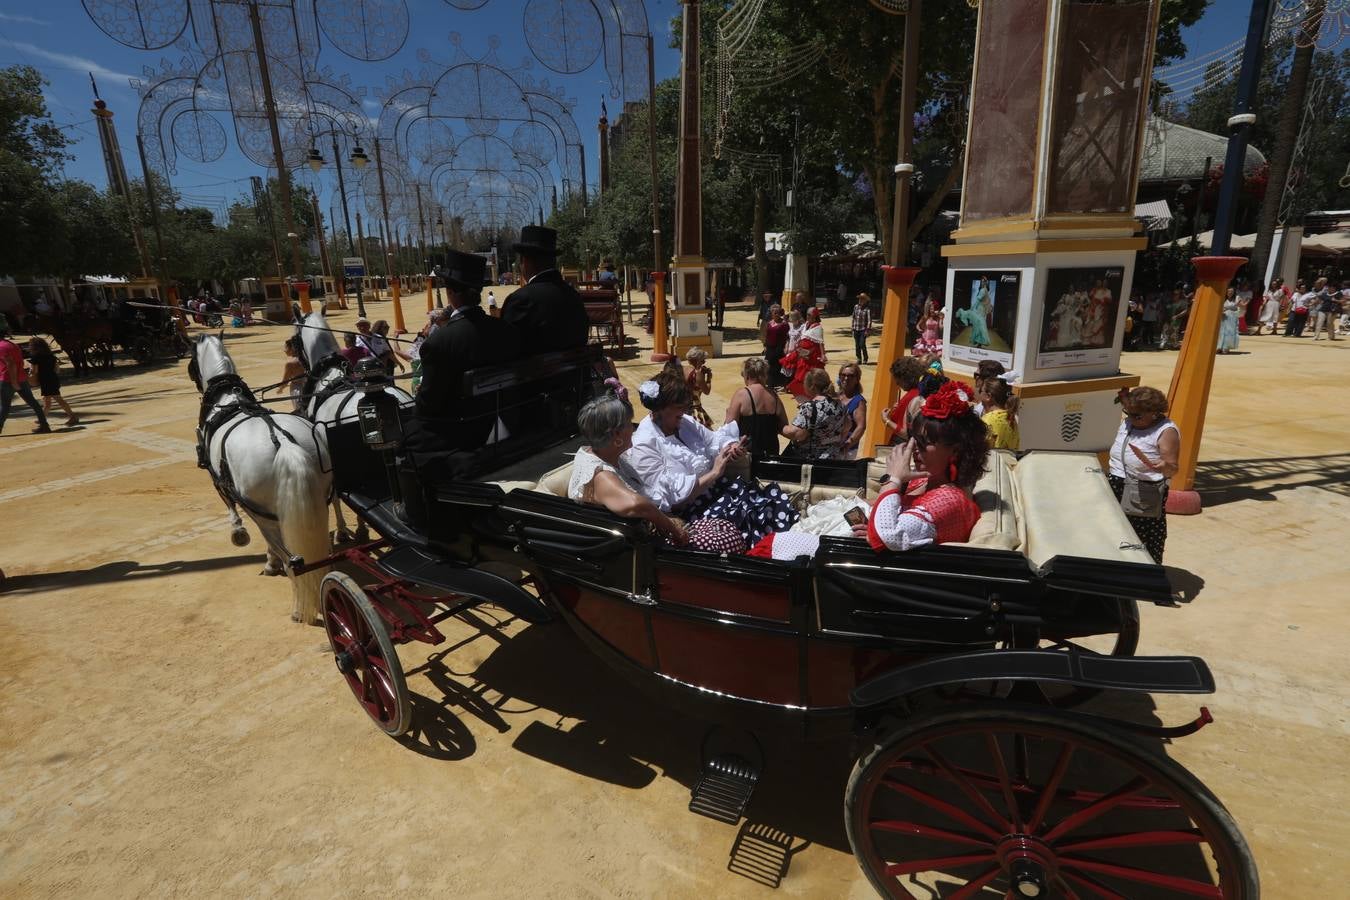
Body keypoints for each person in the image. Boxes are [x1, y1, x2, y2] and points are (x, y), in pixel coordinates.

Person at [749, 381, 987, 560]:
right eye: (914, 439)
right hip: (858, 554)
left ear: (955, 451)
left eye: (925, 443)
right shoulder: (925, 481)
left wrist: (893, 480)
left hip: (863, 566)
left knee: (779, 544)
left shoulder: (950, 500)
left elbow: (888, 536)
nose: (914, 448)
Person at [629, 368, 796, 546]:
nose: (684, 410)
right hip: (694, 509)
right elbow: (670, 501)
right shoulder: (645, 443)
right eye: (678, 407)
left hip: (718, 492)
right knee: (753, 515)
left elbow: (713, 440)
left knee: (770, 501)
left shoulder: (685, 423)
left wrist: (730, 447)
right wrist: (714, 473)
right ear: (660, 409)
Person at [404, 249, 522, 472]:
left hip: (467, 433)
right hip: (508, 419)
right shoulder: (506, 329)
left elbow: (428, 406)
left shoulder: (439, 341)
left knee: (408, 433)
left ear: (450, 292)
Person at [570, 385, 687, 546]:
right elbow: (637, 505)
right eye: (629, 423)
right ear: (617, 434)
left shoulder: (604, 454)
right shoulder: (601, 476)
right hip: (633, 545)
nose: (633, 428)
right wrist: (674, 530)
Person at [1108, 386, 1179, 564]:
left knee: (1139, 541)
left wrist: (1164, 466)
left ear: (1154, 413)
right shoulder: (1129, 421)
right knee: (1114, 535)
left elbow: (1172, 469)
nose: (1131, 418)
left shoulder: (1166, 431)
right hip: (1116, 485)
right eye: (1128, 413)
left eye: (1137, 416)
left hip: (1143, 493)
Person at [500, 225, 590, 354]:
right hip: (578, 366)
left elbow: (505, 349)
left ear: (525, 261)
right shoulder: (574, 295)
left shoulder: (521, 300)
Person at [723, 356, 787, 460]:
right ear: (765, 375)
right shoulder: (774, 396)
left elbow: (728, 427)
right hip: (771, 454)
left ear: (747, 375)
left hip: (747, 455)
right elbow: (784, 426)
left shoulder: (741, 394)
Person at [782, 368, 850, 459]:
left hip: (813, 460)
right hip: (833, 457)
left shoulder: (809, 407)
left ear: (812, 386)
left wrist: (780, 427)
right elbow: (848, 425)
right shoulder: (840, 403)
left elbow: (797, 434)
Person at [0, 322, 52, 434]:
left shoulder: (1, 347)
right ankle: (44, 425)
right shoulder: (12, 345)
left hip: (8, 380)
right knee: (33, 403)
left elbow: (11, 364)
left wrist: (14, 382)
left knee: (4, 407)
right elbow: (19, 362)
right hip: (21, 378)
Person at [26, 337, 78, 427]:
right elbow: (57, 369)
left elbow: (34, 371)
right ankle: (42, 418)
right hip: (53, 379)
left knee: (56, 400)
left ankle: (72, 416)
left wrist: (30, 373)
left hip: (45, 381)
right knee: (48, 400)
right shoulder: (51, 356)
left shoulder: (35, 357)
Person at [782, 311, 826, 401]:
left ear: (815, 317)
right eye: (807, 314)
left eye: (810, 315)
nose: (808, 316)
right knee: (800, 375)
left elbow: (820, 342)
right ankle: (801, 394)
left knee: (810, 376)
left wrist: (823, 355)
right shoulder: (806, 324)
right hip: (803, 354)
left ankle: (811, 395)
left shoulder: (818, 327)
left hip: (812, 356)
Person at [883, 356, 927, 443]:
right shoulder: (919, 391)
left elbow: (906, 433)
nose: (897, 383)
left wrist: (886, 420)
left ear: (905, 378)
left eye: (898, 379)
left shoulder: (913, 396)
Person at [980, 376, 1019, 450]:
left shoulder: (988, 420)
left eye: (981, 391)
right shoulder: (1011, 418)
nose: (980, 395)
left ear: (988, 396)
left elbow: (980, 450)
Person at [838, 362, 867, 459]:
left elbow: (861, 427)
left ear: (857, 379)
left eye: (850, 376)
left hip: (847, 450)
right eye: (843, 375)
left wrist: (847, 444)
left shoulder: (859, 401)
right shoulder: (835, 396)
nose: (846, 378)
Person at [957, 276, 993, 348]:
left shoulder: (983, 290)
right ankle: (979, 341)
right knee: (979, 324)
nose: (982, 283)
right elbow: (982, 301)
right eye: (981, 281)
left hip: (980, 309)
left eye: (984, 281)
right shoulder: (985, 290)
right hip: (980, 309)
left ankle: (980, 341)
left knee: (979, 324)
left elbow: (978, 301)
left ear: (986, 283)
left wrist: (972, 307)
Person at [685, 347, 713, 428]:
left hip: (683, 407)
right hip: (694, 409)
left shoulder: (683, 369)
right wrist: (709, 378)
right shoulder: (697, 374)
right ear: (697, 360)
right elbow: (707, 391)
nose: (704, 362)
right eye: (702, 360)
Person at [761, 304, 789, 389]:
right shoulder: (769, 323)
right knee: (768, 365)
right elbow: (766, 335)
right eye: (774, 313)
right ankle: (770, 383)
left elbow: (787, 337)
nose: (776, 314)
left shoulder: (784, 324)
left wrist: (786, 347)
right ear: (771, 314)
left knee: (777, 366)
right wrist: (765, 346)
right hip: (770, 347)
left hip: (779, 348)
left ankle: (778, 384)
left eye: (778, 313)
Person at [280, 337, 307, 411]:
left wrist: (280, 389)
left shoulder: (290, 364)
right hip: (308, 387)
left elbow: (285, 381)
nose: (284, 350)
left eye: (286, 347)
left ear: (292, 348)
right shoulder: (306, 358)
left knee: (299, 410)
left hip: (297, 389)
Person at [1311, 277, 1340, 341]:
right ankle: (1316, 336)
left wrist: (1336, 300)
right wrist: (1312, 304)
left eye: (1331, 287)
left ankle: (1331, 336)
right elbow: (1318, 299)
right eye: (1329, 287)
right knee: (1319, 322)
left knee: (1329, 323)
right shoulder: (1325, 294)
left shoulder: (1338, 293)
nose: (1329, 288)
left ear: (1334, 288)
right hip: (1323, 309)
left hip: (1332, 311)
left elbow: (1343, 301)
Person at [1217, 287, 1241, 354]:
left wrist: (1227, 308)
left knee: (1229, 333)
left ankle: (1226, 347)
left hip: (1231, 319)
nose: (1230, 293)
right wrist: (1221, 311)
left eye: (1231, 292)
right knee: (1221, 333)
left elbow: (1236, 309)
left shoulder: (1236, 299)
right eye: (1229, 291)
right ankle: (1219, 347)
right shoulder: (1222, 299)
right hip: (1223, 318)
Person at [850, 294, 873, 363]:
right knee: (857, 345)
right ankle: (859, 358)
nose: (860, 300)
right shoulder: (856, 307)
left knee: (862, 344)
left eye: (862, 299)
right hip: (856, 328)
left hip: (863, 329)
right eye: (860, 298)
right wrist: (852, 328)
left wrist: (867, 330)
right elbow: (853, 317)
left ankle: (865, 358)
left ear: (865, 301)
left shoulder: (867, 309)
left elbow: (869, 320)